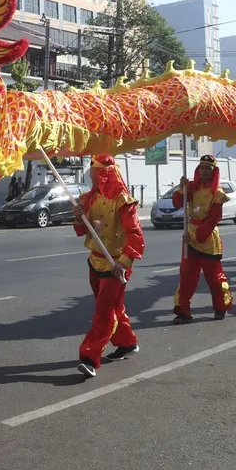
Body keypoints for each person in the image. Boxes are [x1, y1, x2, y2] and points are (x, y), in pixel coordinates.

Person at [72, 155, 144, 378]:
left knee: (104, 312)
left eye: (94, 172)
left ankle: (89, 357)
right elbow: (82, 231)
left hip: (116, 265)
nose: (90, 175)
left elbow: (136, 236)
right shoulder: (87, 199)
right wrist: (78, 218)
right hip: (95, 260)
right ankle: (127, 342)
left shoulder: (123, 202)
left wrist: (123, 263)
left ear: (105, 174)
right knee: (113, 307)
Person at [171, 155, 233, 324]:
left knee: (214, 277)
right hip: (189, 235)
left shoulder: (218, 194)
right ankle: (182, 310)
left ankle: (221, 307)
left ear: (214, 172)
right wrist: (180, 187)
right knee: (186, 276)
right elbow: (177, 203)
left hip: (207, 238)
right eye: (202, 167)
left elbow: (214, 218)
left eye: (208, 168)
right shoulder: (191, 187)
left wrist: (198, 235)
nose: (204, 171)